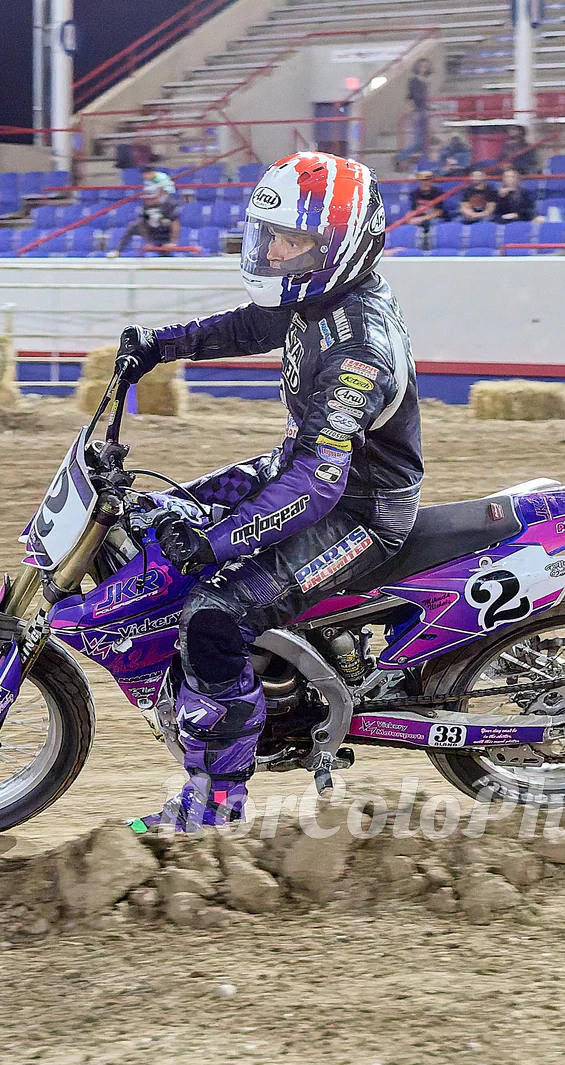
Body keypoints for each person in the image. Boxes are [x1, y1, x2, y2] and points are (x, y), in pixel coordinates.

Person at [113, 152, 422, 831]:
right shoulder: (317, 297)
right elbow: (251, 325)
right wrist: (159, 346)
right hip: (303, 472)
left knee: (215, 614)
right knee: (159, 514)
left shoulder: (359, 352)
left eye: (292, 240)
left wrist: (217, 543)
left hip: (360, 511)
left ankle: (215, 805)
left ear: (338, 246)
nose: (275, 251)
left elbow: (317, 484)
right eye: (271, 236)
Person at [112, 166, 180, 256]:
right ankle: (118, 251)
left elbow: (175, 224)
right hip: (152, 230)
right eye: (147, 198)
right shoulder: (145, 205)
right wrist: (148, 242)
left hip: (165, 231)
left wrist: (172, 242)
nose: (149, 200)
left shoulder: (169, 204)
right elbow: (143, 223)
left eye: (151, 198)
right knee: (133, 226)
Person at [394, 58, 435, 170]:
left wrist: (429, 107)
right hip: (417, 112)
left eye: (426, 66)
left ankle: (424, 165)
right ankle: (400, 157)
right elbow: (411, 97)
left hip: (425, 112)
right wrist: (413, 111)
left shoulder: (426, 81)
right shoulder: (414, 81)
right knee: (419, 142)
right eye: (421, 66)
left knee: (425, 141)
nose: (423, 69)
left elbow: (425, 98)